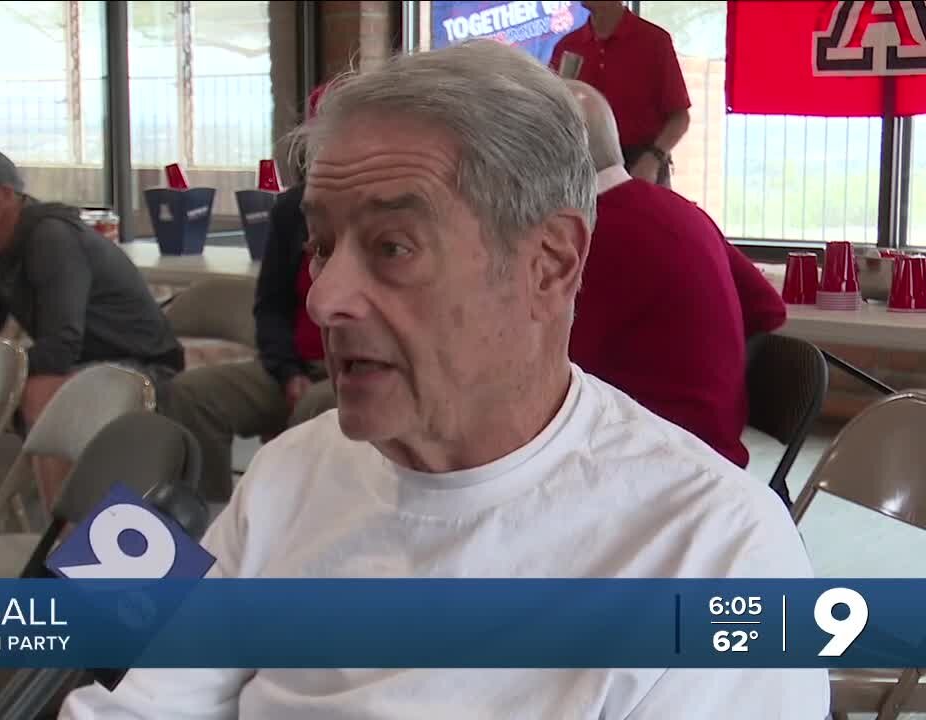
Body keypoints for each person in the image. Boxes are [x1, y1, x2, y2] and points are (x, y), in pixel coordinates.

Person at [61, 41, 827, 719]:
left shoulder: (712, 555)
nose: (324, 297)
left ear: (551, 263)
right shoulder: (292, 471)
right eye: (322, 245)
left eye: (392, 247)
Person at [0, 147, 184, 503]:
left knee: (43, 389)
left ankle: (59, 541)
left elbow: (60, 347)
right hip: (81, 365)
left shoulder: (51, 237)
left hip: (141, 369)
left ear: (5, 194)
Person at [565, 79, 786, 473]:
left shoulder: (585, 237)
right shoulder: (682, 210)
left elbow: (543, 373)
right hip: (714, 457)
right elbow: (767, 309)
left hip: (656, 468)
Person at [161, 86, 336, 502]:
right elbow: (271, 307)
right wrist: (287, 370)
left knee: (317, 409)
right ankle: (211, 522)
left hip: (347, 372)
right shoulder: (292, 211)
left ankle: (289, 532)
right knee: (191, 395)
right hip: (290, 367)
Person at [550, 0, 690, 187]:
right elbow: (555, 113)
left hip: (641, 165)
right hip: (584, 168)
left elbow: (680, 118)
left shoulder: (654, 41)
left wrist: (654, 158)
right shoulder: (568, 46)